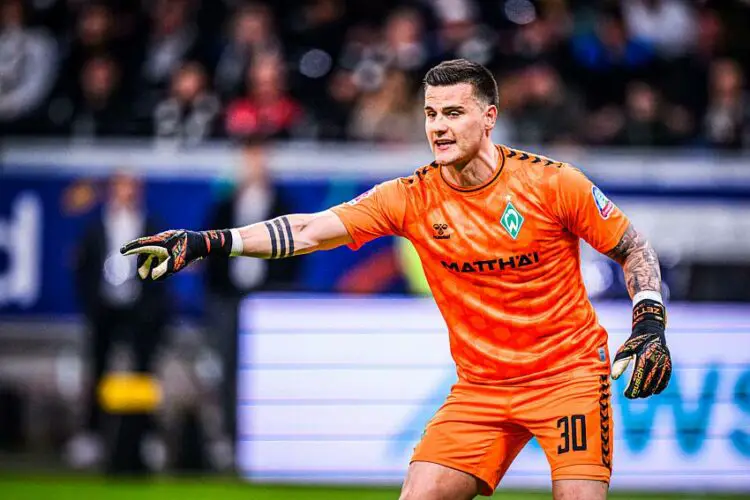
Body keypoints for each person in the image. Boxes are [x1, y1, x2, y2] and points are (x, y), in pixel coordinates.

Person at [120, 59, 672, 500]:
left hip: (567, 377)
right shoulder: (410, 196)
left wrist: (648, 321)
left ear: (489, 118)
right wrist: (209, 241)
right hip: (480, 388)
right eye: (431, 114)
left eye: (454, 113)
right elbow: (310, 229)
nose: (438, 127)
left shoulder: (553, 183)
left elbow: (633, 247)